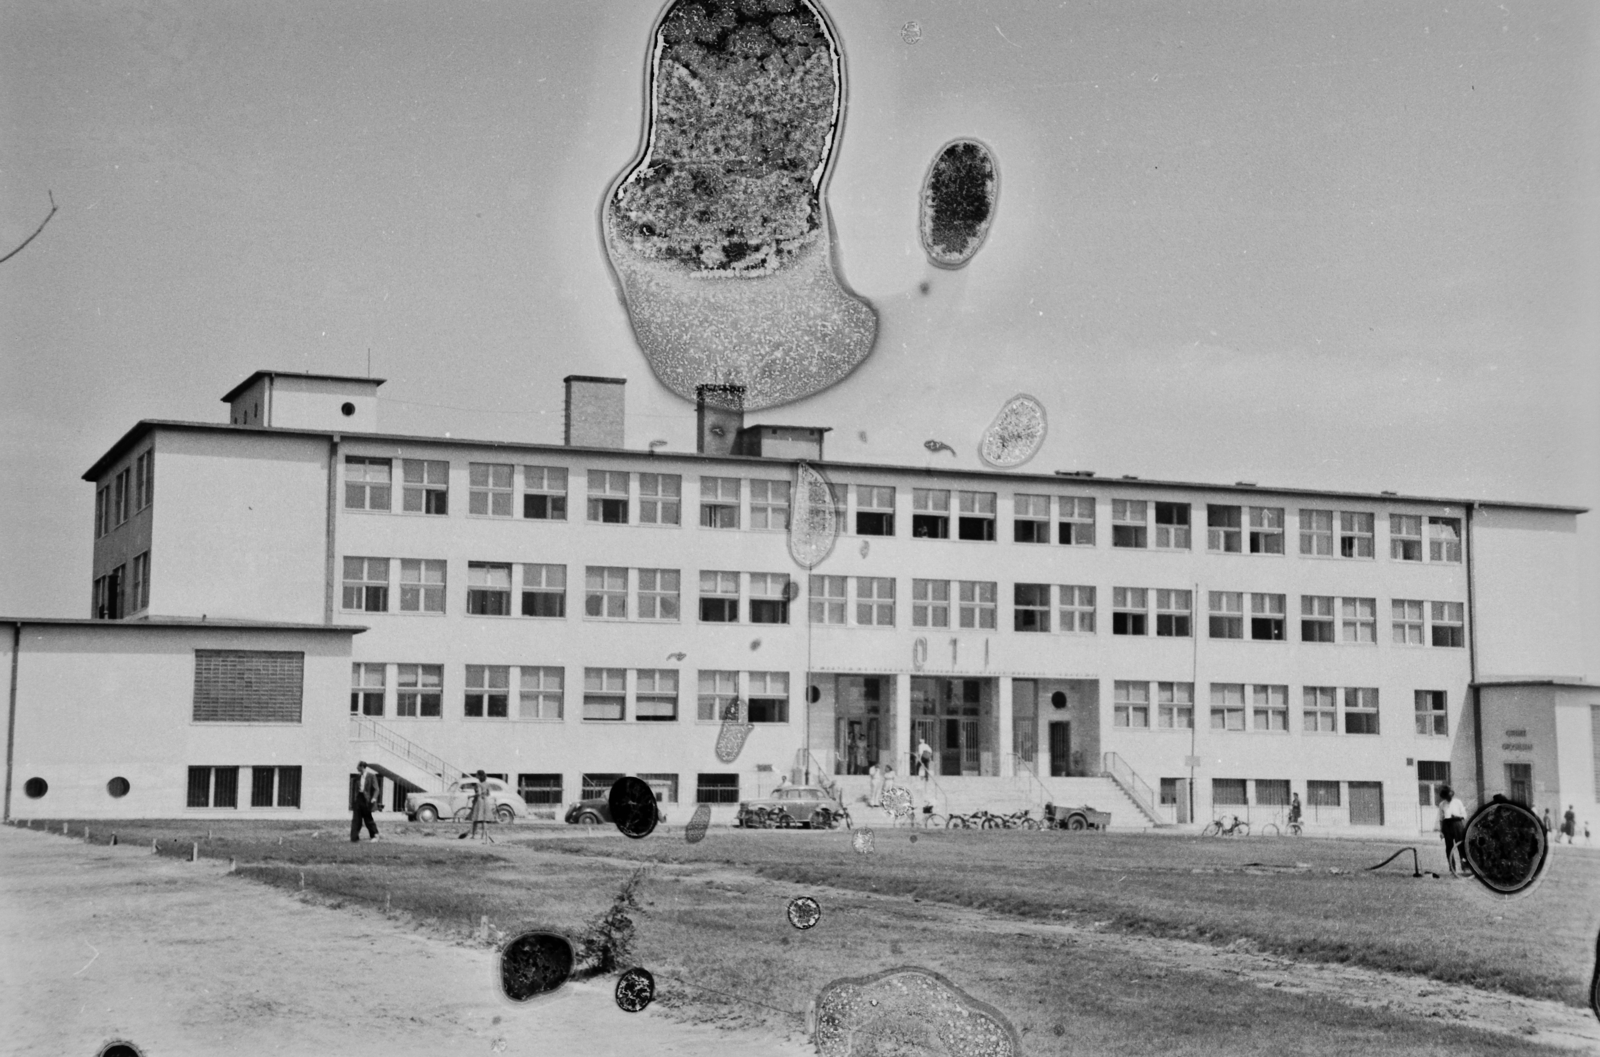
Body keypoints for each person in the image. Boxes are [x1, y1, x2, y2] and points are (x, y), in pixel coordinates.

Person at [1437, 784, 1468, 876]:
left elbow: (1464, 815)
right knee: (1449, 847)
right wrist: (1441, 831)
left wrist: (1457, 816)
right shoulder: (1442, 804)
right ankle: (1452, 868)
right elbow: (1441, 819)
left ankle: (1464, 866)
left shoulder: (1458, 802)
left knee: (1461, 846)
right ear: (1444, 796)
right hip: (1447, 826)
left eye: (1450, 795)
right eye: (1447, 796)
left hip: (1457, 824)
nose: (1449, 797)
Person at [458, 770, 495, 844]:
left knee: (475, 819)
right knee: (484, 819)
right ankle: (483, 836)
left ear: (479, 776)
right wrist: (484, 796)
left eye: (477, 774)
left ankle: (473, 835)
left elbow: (479, 793)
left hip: (479, 801)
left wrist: (471, 796)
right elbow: (488, 793)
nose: (476, 775)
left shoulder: (478, 784)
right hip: (485, 801)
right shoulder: (487, 784)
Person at [350, 761, 381, 843]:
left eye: (358, 766)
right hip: (359, 799)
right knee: (356, 819)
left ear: (362, 767)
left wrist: (374, 798)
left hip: (367, 801)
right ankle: (354, 838)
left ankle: (375, 835)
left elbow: (376, 789)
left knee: (368, 819)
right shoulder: (358, 777)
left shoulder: (371, 776)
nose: (357, 768)